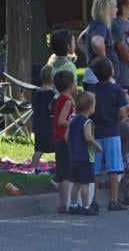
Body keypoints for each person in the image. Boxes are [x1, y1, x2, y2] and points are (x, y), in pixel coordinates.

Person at [88, 57, 129, 211]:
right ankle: (113, 199)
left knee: (96, 169)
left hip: (95, 133)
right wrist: (118, 119)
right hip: (112, 131)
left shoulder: (91, 90)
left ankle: (93, 200)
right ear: (111, 71)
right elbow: (123, 112)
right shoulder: (117, 90)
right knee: (114, 168)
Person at [66, 91, 102, 216]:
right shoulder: (88, 122)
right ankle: (86, 206)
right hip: (85, 157)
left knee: (76, 183)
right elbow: (88, 137)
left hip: (74, 157)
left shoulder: (73, 121)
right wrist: (97, 145)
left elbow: (66, 137)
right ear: (90, 107)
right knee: (85, 183)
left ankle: (73, 204)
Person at [77, 0, 120, 89]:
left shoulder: (94, 24)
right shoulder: (100, 26)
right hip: (99, 80)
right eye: (115, 6)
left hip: (95, 78)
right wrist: (104, 60)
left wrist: (90, 55)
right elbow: (97, 43)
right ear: (106, 8)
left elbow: (80, 41)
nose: (117, 9)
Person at [52, 70, 77, 213]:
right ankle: (65, 202)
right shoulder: (67, 101)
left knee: (62, 172)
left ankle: (63, 202)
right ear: (70, 85)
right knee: (65, 172)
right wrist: (74, 122)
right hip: (63, 139)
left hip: (61, 139)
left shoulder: (63, 98)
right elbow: (62, 121)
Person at [31, 65, 56, 173]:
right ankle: (59, 168)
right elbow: (51, 109)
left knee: (38, 150)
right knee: (57, 149)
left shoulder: (36, 93)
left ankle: (33, 168)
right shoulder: (52, 95)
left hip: (38, 126)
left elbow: (34, 107)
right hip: (49, 127)